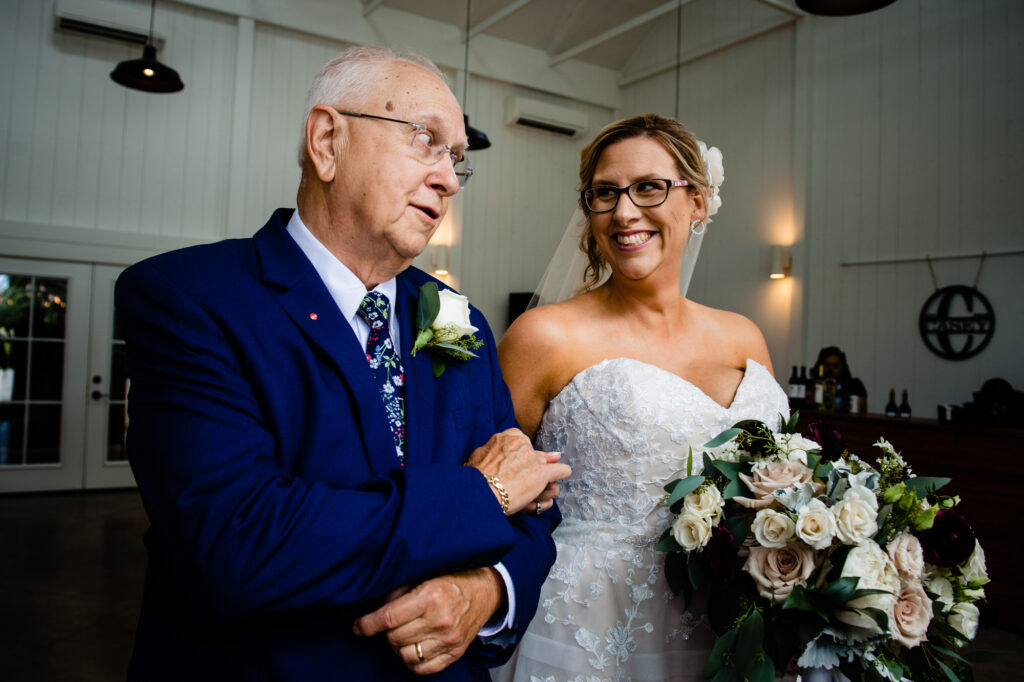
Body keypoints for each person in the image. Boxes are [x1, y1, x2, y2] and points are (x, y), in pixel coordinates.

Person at [115, 45, 571, 681]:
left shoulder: (456, 320)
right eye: (426, 140)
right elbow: (240, 544)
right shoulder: (189, 299)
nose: (446, 178)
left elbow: (533, 517)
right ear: (327, 141)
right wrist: (482, 492)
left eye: (456, 159)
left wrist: (486, 593)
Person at [492, 114, 789, 681]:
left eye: (649, 187)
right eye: (605, 193)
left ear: (698, 202)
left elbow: (780, 477)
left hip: (734, 619)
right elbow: (489, 487)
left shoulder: (744, 336)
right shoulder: (544, 337)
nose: (625, 212)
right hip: (592, 626)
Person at [814, 345, 868, 412]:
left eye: (835, 366)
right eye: (828, 366)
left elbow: (862, 411)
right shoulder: (815, 385)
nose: (831, 370)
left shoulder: (855, 385)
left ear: (842, 367)